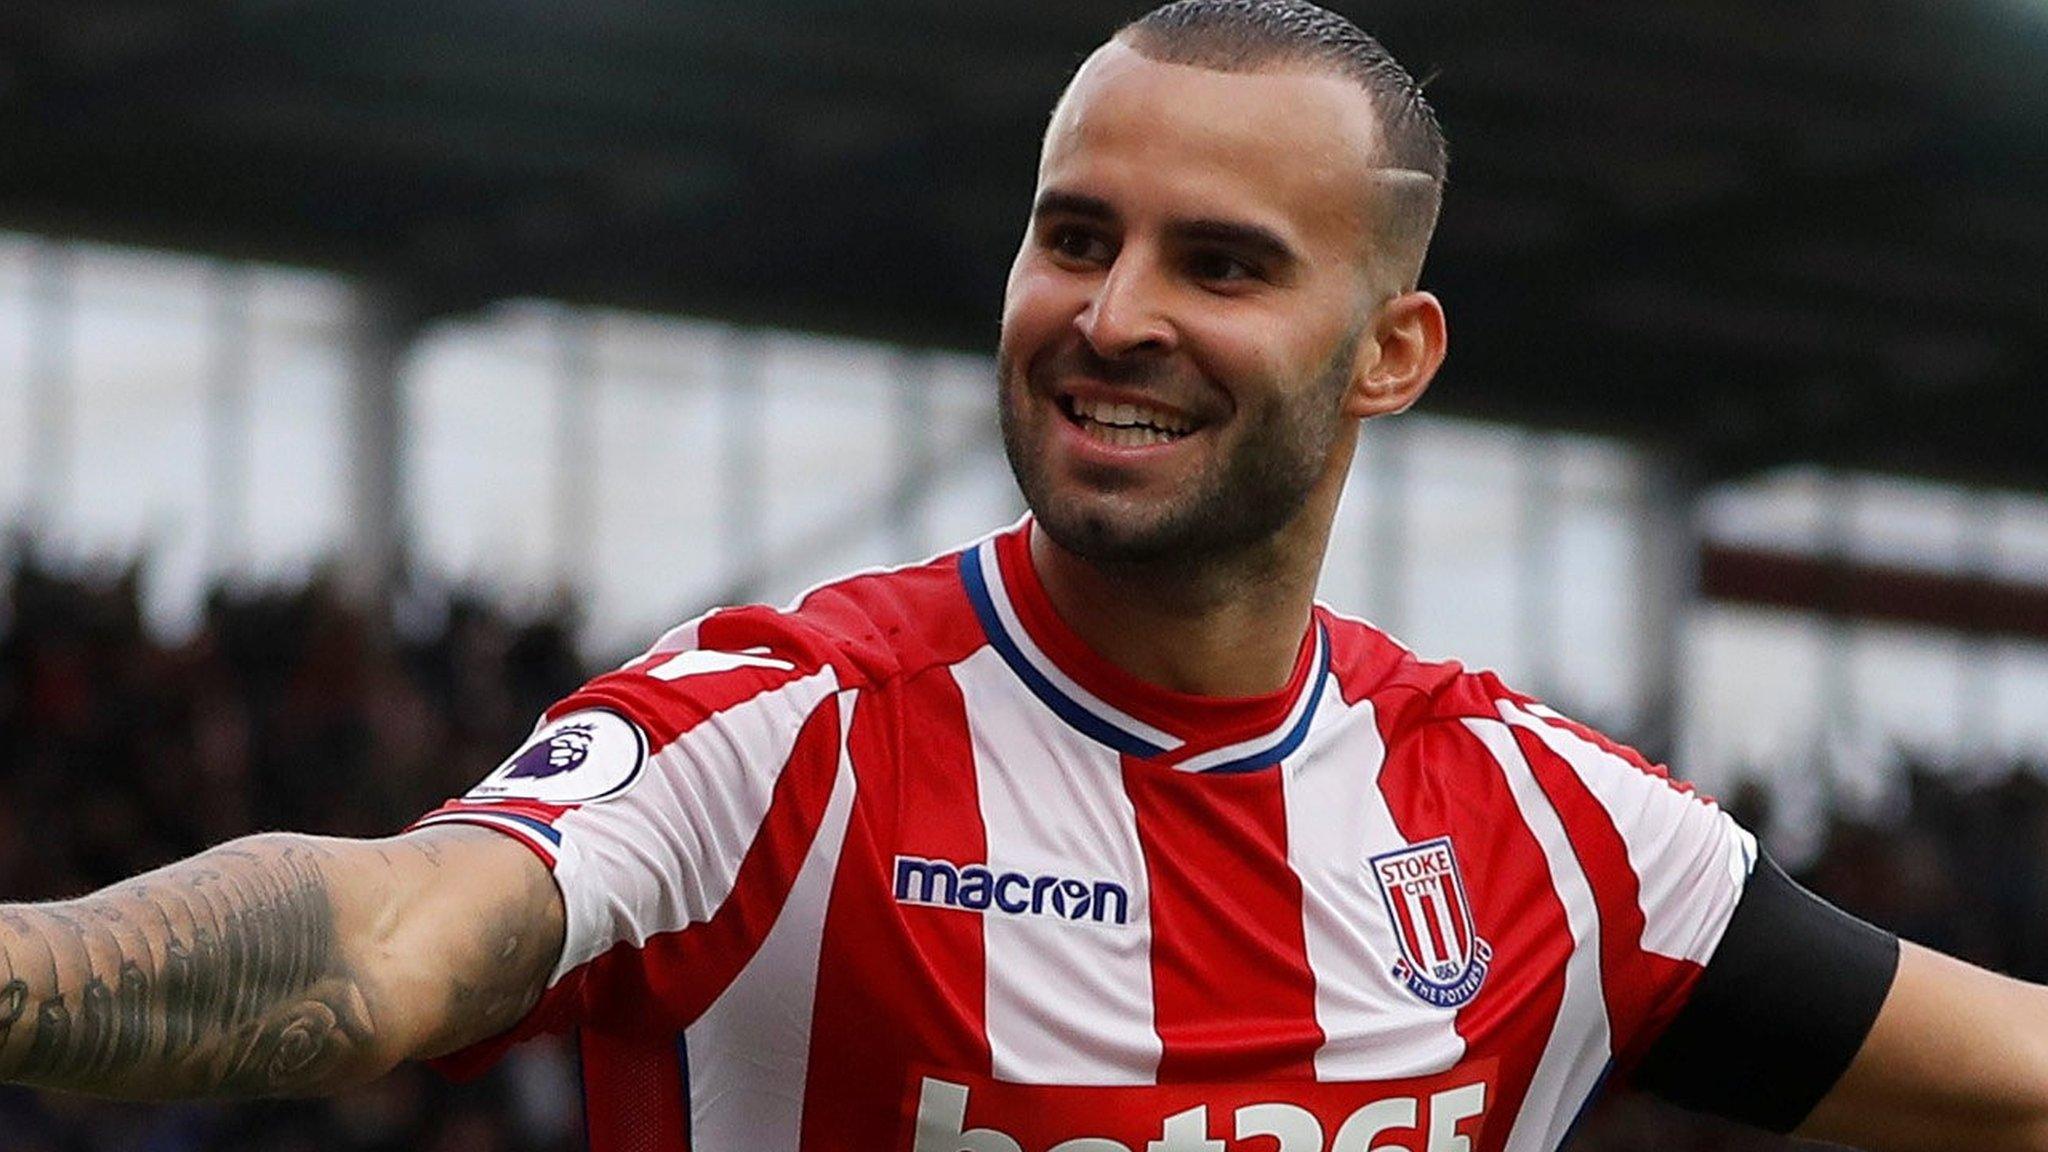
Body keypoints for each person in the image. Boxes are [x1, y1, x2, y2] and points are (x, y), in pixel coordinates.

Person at [2, 2, 2044, 1150]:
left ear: (1391, 354)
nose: (1111, 313)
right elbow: (391, 932)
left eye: (1222, 263)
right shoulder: (785, 736)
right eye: (1075, 236)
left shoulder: (1554, 837)